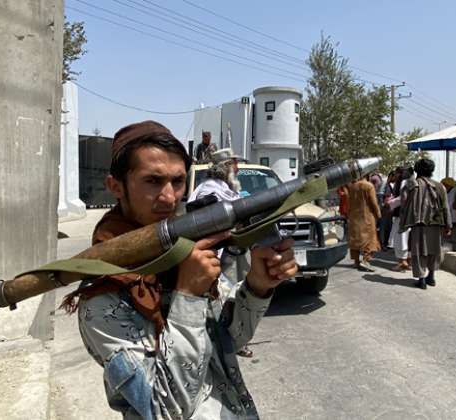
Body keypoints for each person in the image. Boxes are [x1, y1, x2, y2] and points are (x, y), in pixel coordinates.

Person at [64, 121, 297, 419]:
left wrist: (257, 286)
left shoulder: (182, 253)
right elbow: (163, 409)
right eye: (152, 181)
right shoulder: (103, 298)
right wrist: (188, 296)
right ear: (115, 187)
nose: (169, 198)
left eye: (177, 181)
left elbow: (228, 342)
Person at [188, 148, 254, 358]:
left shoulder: (223, 188)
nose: (237, 168)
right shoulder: (210, 191)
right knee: (226, 300)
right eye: (234, 165)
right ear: (226, 168)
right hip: (221, 256)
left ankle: (232, 339)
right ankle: (228, 342)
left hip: (233, 253)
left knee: (235, 296)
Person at [400, 159, 452, 289]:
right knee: (434, 250)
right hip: (436, 223)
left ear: (417, 170)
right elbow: (446, 207)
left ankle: (421, 279)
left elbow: (404, 202)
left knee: (419, 251)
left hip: (419, 224)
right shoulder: (440, 186)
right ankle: (431, 277)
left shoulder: (413, 184)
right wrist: (448, 225)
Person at [346, 174, 382, 272]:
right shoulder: (369, 186)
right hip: (367, 217)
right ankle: (366, 260)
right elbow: (374, 203)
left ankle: (356, 261)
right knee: (370, 239)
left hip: (354, 217)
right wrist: (378, 215)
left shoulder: (352, 186)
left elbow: (349, 203)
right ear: (367, 174)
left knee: (355, 239)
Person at [388, 167, 415, 271]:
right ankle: (407, 261)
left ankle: (402, 262)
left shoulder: (404, 182)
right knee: (406, 239)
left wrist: (390, 203)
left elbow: (403, 198)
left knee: (401, 239)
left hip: (402, 215)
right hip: (409, 215)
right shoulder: (411, 181)